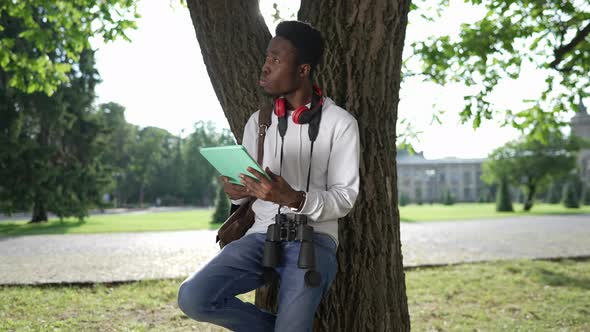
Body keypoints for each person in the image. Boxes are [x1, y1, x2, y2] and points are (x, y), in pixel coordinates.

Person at [177, 20, 360, 332]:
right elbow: (249, 189)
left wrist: (293, 198)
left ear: (303, 70)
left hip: (312, 241)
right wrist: (236, 191)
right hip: (259, 236)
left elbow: (345, 199)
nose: (265, 67)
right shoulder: (258, 122)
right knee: (193, 298)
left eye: (276, 60)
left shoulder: (340, 123)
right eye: (266, 58)